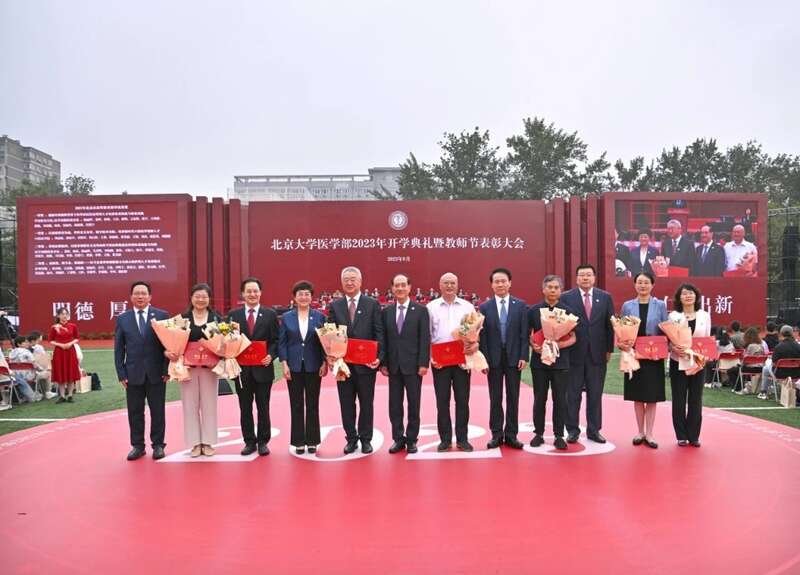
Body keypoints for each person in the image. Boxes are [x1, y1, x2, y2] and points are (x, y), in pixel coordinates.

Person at [326, 266, 384, 455]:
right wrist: (331, 355)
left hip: (366, 365)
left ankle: (366, 439)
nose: (349, 283)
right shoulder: (335, 306)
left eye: (353, 279)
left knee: (366, 404)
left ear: (360, 282)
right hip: (343, 365)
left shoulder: (372, 304)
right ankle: (351, 439)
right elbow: (330, 333)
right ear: (341, 283)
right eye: (346, 280)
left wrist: (379, 357)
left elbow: (379, 333)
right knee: (346, 404)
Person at [114, 281, 170, 461]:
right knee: (135, 412)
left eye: (143, 293)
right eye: (136, 293)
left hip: (157, 373)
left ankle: (158, 445)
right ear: (131, 297)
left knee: (158, 410)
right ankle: (137, 446)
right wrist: (121, 373)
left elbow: (167, 345)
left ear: (150, 296)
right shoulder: (123, 319)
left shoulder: (161, 316)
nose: (140, 296)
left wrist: (166, 370)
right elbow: (119, 349)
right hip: (132, 374)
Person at [560, 264, 615, 444]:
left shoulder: (605, 297)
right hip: (573, 353)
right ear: (576, 278)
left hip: (597, 354)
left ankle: (594, 430)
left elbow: (610, 326)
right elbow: (561, 324)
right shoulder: (566, 297)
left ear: (594, 277)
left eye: (588, 275)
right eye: (582, 275)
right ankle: (572, 430)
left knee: (595, 394)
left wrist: (609, 349)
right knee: (572, 394)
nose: (585, 278)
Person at [478, 268, 528, 449]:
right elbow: (482, 336)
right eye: (496, 281)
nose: (500, 284)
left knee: (513, 397)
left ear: (510, 283)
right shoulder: (485, 307)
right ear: (492, 285)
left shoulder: (520, 305)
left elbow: (524, 334)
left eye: (503, 281)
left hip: (514, 358)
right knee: (495, 398)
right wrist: (484, 360)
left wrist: (524, 356)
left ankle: (512, 435)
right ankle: (497, 434)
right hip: (493, 360)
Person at [228, 277, 279, 457]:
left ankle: (263, 441)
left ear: (260, 293)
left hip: (263, 369)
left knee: (263, 407)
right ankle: (249, 441)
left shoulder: (270, 314)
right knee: (245, 407)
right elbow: (228, 340)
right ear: (243, 294)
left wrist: (271, 355)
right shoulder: (233, 316)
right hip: (241, 371)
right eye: (248, 291)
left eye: (255, 291)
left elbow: (275, 340)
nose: (252, 294)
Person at [380, 274, 430, 454]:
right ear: (392, 289)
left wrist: (423, 363)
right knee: (394, 405)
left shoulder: (421, 311)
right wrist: (383, 363)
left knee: (413, 404)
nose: (400, 288)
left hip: (414, 366)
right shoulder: (386, 312)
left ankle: (412, 439)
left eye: (403, 285)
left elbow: (425, 338)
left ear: (409, 287)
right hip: (393, 366)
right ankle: (398, 438)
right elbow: (384, 340)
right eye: (396, 285)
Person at [619, 272, 668, 449]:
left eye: (646, 282)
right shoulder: (627, 306)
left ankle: (650, 434)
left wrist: (663, 347)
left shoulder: (660, 305)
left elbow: (666, 329)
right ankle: (640, 432)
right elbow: (622, 328)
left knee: (652, 396)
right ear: (634, 285)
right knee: (638, 396)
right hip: (634, 355)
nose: (642, 285)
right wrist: (623, 343)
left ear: (652, 285)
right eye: (639, 282)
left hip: (654, 356)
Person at [427, 272, 476, 452]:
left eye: (452, 283)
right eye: (446, 283)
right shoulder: (431, 307)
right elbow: (427, 335)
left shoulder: (467, 306)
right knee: (442, 402)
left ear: (457, 285)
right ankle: (445, 439)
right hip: (440, 360)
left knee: (462, 401)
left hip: (462, 359)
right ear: (440, 286)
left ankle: (462, 439)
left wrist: (473, 346)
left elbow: (475, 332)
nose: (449, 286)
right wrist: (431, 357)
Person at [528, 275, 577, 450]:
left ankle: (558, 435)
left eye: (556, 287)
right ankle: (538, 434)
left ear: (560, 290)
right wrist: (534, 346)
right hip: (539, 363)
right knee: (539, 398)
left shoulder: (568, 311)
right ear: (543, 289)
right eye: (549, 287)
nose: (553, 290)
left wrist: (558, 345)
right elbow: (529, 334)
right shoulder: (534, 310)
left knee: (560, 400)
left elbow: (574, 338)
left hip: (561, 362)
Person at [279, 280, 328, 454]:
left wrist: (324, 362)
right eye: (300, 294)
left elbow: (325, 342)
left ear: (311, 297)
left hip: (313, 365)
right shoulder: (286, 317)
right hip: (293, 366)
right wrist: (284, 363)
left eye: (307, 294)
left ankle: (313, 440)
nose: (304, 297)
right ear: (294, 297)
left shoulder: (320, 317)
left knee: (313, 404)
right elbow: (282, 342)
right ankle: (298, 441)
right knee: (296, 404)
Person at [178, 283, 223, 457]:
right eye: (197, 296)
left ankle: (208, 442)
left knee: (209, 405)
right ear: (191, 298)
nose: (200, 300)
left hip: (209, 369)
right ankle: (195, 443)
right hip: (188, 368)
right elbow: (175, 342)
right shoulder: (183, 319)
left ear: (209, 299)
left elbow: (223, 343)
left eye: (204, 296)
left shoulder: (216, 319)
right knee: (190, 405)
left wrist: (220, 352)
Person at [668, 284, 711, 447]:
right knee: (679, 399)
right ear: (679, 298)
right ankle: (681, 435)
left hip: (698, 363)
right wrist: (673, 348)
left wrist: (704, 355)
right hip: (678, 361)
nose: (688, 296)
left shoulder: (704, 316)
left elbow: (706, 338)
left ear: (696, 296)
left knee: (695, 399)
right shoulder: (673, 316)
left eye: (691, 293)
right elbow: (669, 340)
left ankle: (694, 436)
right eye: (684, 293)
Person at [49, 307, 81, 404]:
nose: (64, 316)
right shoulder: (54, 327)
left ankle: (70, 395)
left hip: (70, 351)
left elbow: (77, 338)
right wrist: (60, 345)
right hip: (59, 352)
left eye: (66, 314)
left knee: (71, 372)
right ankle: (62, 396)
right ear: (58, 316)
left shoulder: (72, 326)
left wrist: (70, 343)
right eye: (62, 314)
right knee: (60, 373)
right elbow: (50, 340)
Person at [732, 326, 767, 395]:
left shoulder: (750, 346)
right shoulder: (761, 346)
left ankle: (738, 388)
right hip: (760, 368)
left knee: (734, 370)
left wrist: (741, 364)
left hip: (751, 368)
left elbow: (746, 360)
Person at [7, 336, 39, 403]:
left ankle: (27, 395)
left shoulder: (11, 352)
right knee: (45, 373)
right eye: (25, 342)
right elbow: (35, 365)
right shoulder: (26, 352)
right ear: (19, 344)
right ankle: (46, 392)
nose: (27, 343)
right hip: (28, 375)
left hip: (15, 375)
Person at [27, 331, 56, 399]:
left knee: (44, 371)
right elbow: (43, 358)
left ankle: (45, 392)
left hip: (21, 373)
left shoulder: (14, 351)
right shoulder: (37, 347)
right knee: (47, 372)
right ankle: (48, 391)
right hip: (31, 373)